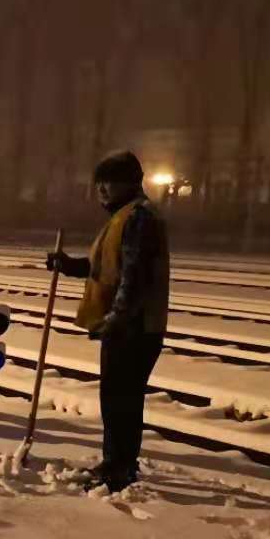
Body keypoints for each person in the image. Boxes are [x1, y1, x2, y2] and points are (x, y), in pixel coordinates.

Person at [47, 150, 170, 492]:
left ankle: (119, 468)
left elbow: (135, 278)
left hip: (135, 328)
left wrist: (117, 318)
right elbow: (107, 268)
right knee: (117, 399)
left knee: (121, 401)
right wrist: (70, 265)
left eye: (110, 182)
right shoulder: (124, 217)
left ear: (131, 183)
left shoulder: (139, 218)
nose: (102, 189)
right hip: (128, 326)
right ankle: (116, 462)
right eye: (99, 182)